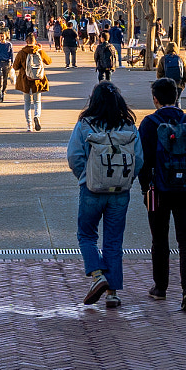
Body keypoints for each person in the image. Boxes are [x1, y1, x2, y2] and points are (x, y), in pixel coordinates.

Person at [66, 82, 142, 308]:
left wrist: (86, 176)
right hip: (120, 191)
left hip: (91, 188)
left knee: (87, 235)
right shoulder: (128, 126)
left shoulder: (85, 124)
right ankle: (112, 293)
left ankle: (97, 275)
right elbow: (139, 159)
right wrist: (126, 178)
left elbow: (74, 156)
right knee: (113, 240)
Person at [138, 76, 186, 311]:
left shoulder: (149, 123)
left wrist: (145, 187)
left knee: (159, 239)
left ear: (155, 99)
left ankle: (160, 287)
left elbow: (142, 160)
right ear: (177, 97)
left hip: (158, 191)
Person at [13, 32, 51, 132]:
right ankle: (37, 116)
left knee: (27, 102)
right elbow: (48, 61)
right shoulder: (39, 51)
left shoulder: (22, 52)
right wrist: (41, 49)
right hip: (37, 80)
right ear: (35, 41)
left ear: (26, 41)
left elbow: (15, 66)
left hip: (25, 80)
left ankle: (29, 125)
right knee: (37, 101)